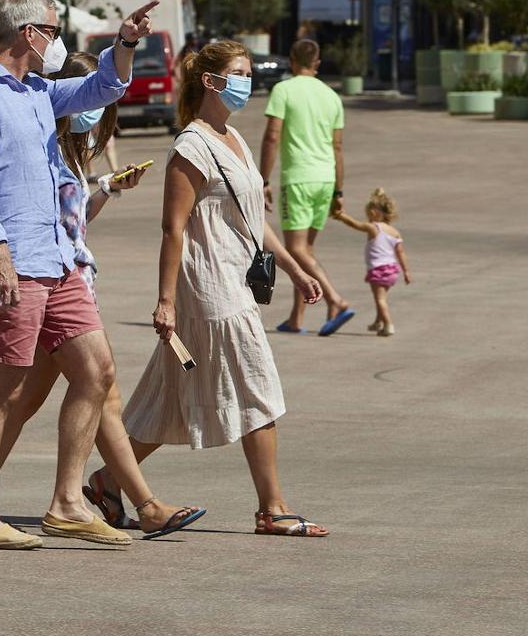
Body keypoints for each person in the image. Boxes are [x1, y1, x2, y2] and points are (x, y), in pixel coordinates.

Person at [0, 51, 205, 540]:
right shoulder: (6, 105)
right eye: (49, 30)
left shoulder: (64, 145)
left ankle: (68, 501)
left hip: (65, 273)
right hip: (23, 268)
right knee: (13, 393)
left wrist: (106, 186)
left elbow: (70, 221)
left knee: (86, 380)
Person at [117, 39, 331, 538]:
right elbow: (173, 229)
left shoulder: (232, 138)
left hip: (234, 276)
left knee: (173, 396)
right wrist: (165, 301)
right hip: (208, 285)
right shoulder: (191, 145)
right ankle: (272, 508)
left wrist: (297, 270)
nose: (247, 80)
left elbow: (252, 220)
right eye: (239, 72)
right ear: (211, 81)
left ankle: (107, 482)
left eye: (249, 71)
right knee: (257, 385)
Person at [259, 38, 354, 337]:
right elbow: (338, 147)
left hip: (298, 178)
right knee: (306, 250)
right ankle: (296, 318)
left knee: (296, 249)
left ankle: (335, 300)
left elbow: (272, 137)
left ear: (291, 59)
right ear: (318, 63)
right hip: (326, 178)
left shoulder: (284, 90)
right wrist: (338, 191)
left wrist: (262, 179)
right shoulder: (331, 96)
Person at [330, 188, 412, 337]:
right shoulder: (394, 231)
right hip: (392, 270)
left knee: (380, 299)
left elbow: (355, 224)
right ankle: (378, 322)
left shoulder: (374, 227)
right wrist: (406, 271)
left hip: (378, 269)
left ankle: (388, 325)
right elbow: (401, 253)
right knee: (382, 299)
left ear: (374, 212)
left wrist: (340, 216)